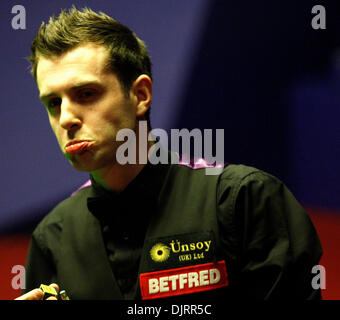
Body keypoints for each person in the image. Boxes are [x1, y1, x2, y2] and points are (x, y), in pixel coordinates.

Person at [18, 7, 322, 300]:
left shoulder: (245, 200)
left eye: (86, 94)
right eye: (53, 103)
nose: (67, 118)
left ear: (140, 96)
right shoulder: (52, 237)